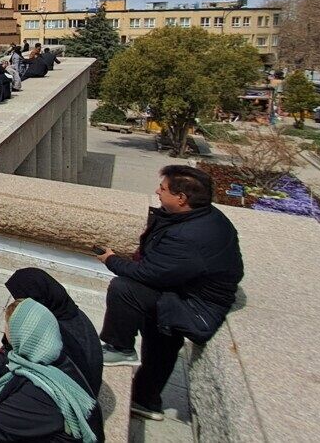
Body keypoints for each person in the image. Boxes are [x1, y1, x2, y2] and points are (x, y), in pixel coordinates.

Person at [95, 165, 243, 421]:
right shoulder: (203, 217)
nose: (157, 192)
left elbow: (147, 274)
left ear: (181, 199)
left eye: (163, 189)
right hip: (186, 292)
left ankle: (120, 348)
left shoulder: (189, 236)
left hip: (196, 307)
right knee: (162, 339)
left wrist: (110, 260)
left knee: (125, 289)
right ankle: (146, 401)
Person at [0, 298, 103, 442]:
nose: (6, 333)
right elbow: (10, 375)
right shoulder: (54, 358)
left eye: (8, 328)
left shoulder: (39, 393)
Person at [0, 268, 103, 397]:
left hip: (64, 396)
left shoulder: (54, 338)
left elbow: (14, 370)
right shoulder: (67, 312)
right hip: (78, 386)